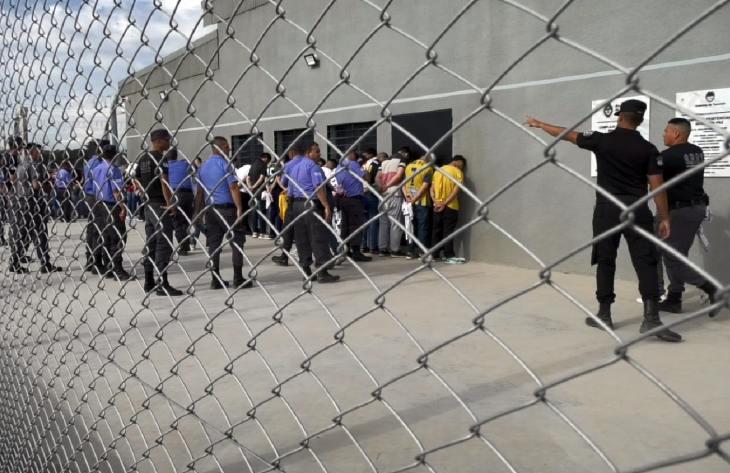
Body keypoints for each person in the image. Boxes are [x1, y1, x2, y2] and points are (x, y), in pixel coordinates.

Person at [527, 99, 681, 342]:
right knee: (646, 261)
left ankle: (604, 314)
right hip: (637, 209)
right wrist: (664, 217)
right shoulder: (649, 149)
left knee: (605, 260)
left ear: (620, 117)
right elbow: (657, 186)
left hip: (607, 209)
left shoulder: (602, 140)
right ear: (640, 120)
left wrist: (540, 124)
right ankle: (651, 318)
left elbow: (567, 134)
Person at [654, 118, 719, 317]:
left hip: (677, 212)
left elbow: (655, 181)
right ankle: (674, 298)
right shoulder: (697, 152)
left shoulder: (667, 156)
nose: (663, 134)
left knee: (671, 258)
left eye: (666, 130)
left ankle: (711, 288)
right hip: (696, 208)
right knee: (677, 254)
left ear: (676, 134)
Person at [195, 137, 252, 290]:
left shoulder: (203, 166)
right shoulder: (225, 164)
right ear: (223, 147)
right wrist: (239, 208)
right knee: (237, 241)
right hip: (227, 209)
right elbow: (233, 187)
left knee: (214, 244)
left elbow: (199, 192)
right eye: (228, 148)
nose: (229, 151)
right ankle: (238, 277)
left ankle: (215, 278)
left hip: (211, 210)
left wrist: (198, 212)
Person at [134, 128, 183, 296]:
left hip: (148, 205)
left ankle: (149, 281)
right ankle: (162, 282)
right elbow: (164, 182)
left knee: (151, 241)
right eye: (167, 139)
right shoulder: (161, 158)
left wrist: (144, 193)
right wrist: (170, 204)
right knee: (164, 242)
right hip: (160, 204)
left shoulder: (143, 158)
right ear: (159, 141)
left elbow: (136, 178)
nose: (169, 143)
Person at [281, 142, 339, 283]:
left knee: (302, 239)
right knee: (318, 237)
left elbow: (289, 188)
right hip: (311, 204)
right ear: (308, 153)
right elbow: (318, 187)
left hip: (296, 205)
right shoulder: (314, 167)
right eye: (317, 151)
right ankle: (322, 272)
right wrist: (326, 205)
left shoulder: (294, 167)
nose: (319, 154)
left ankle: (306, 270)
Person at [10, 143, 62, 274]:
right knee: (40, 232)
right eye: (39, 150)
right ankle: (44, 263)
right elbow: (36, 185)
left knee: (23, 232)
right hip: (33, 202)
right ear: (33, 151)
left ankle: (15, 261)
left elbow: (14, 180)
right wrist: (49, 182)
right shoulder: (36, 165)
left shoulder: (22, 165)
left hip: (21, 200)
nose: (40, 153)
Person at [91, 145, 133, 280]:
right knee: (118, 236)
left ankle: (108, 266)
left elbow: (94, 188)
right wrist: (123, 207)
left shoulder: (96, 169)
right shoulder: (114, 170)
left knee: (106, 237)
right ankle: (117, 269)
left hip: (99, 204)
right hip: (111, 205)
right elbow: (116, 191)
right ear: (114, 155)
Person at [431, 156, 467, 264]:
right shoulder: (458, 172)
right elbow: (456, 190)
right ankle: (449, 255)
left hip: (437, 205)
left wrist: (435, 201)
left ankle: (434, 255)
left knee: (436, 231)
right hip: (451, 206)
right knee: (448, 231)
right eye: (462, 165)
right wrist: (445, 203)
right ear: (457, 162)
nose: (462, 167)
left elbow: (431, 189)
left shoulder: (437, 171)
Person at [335, 151, 371, 262]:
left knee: (345, 226)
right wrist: (365, 170)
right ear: (350, 155)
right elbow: (366, 178)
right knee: (356, 225)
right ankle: (356, 251)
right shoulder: (353, 164)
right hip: (354, 199)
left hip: (343, 198)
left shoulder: (339, 166)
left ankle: (346, 250)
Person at [82, 139, 109, 272]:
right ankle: (96, 261)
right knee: (99, 229)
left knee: (91, 229)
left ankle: (90, 259)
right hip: (97, 197)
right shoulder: (100, 163)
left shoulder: (89, 162)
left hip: (89, 196)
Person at [377, 147, 409, 257]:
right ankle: (395, 250)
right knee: (395, 223)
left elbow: (377, 177)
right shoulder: (402, 161)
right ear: (405, 154)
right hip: (394, 194)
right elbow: (399, 175)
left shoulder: (384, 162)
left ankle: (382, 249)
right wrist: (387, 186)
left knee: (383, 223)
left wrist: (381, 187)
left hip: (382, 196)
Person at [403, 154, 434, 260]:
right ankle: (422, 252)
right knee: (422, 227)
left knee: (410, 226)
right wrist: (415, 199)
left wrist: (407, 195)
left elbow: (403, 184)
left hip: (408, 201)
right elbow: (425, 187)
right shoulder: (428, 168)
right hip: (422, 201)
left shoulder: (408, 166)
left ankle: (410, 251)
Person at [166, 147, 195, 255]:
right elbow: (194, 170)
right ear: (176, 155)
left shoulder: (165, 167)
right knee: (186, 221)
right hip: (189, 194)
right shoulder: (185, 164)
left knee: (177, 222)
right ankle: (186, 243)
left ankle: (183, 247)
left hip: (175, 194)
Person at [271, 149, 298, 266]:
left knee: (288, 228)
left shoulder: (289, 165)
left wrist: (285, 188)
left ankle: (284, 256)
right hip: (308, 200)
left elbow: (282, 180)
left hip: (293, 200)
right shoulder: (312, 165)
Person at [246, 152, 272, 239]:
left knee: (254, 211)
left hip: (252, 192)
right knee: (261, 212)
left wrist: (250, 187)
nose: (268, 163)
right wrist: (255, 186)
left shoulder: (253, 165)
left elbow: (248, 178)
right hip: (260, 191)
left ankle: (254, 232)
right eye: (268, 161)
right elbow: (262, 178)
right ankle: (262, 233)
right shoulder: (263, 165)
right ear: (266, 159)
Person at [361, 149, 383, 254]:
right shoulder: (377, 164)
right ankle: (373, 246)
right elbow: (377, 179)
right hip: (372, 192)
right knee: (373, 220)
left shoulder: (362, 165)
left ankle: (363, 245)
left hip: (361, 193)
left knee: (364, 221)